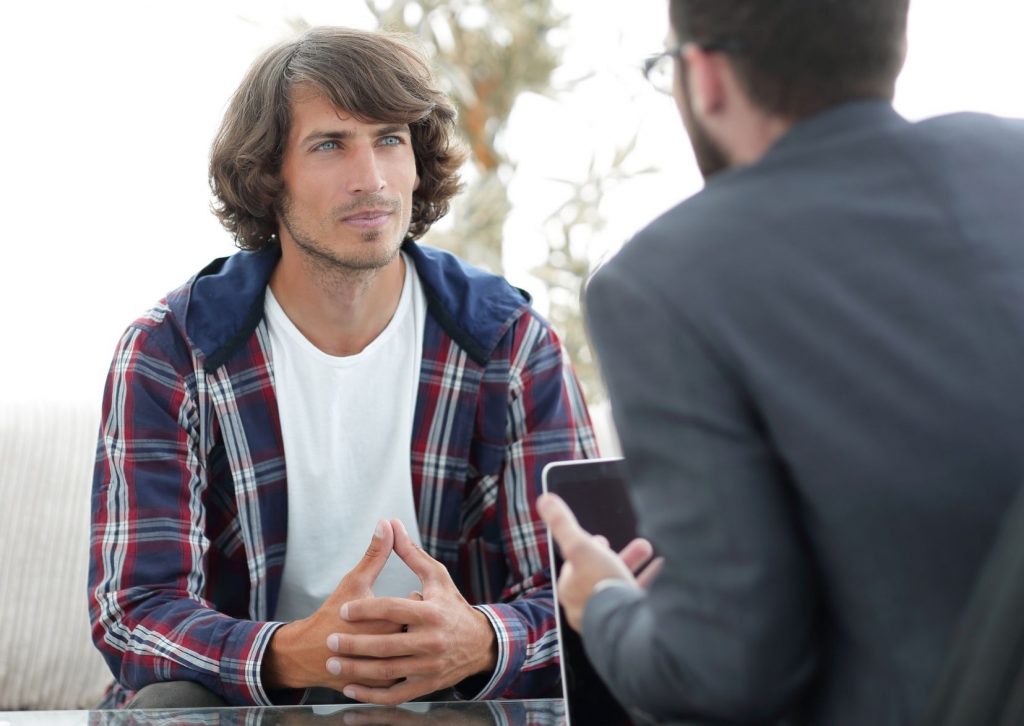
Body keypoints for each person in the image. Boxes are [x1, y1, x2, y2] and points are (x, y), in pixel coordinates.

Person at [538, 1, 1024, 724]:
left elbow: (725, 673)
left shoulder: (664, 280)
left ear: (704, 76)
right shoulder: (1008, 158)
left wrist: (602, 605)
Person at [88, 26, 596, 709]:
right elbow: (134, 612)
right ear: (269, 177)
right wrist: (290, 653)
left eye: (390, 139)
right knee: (164, 705)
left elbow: (588, 591)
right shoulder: (173, 353)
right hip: (256, 708)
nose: (372, 179)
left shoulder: (508, 343)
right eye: (330, 145)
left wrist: (481, 639)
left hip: (460, 705)